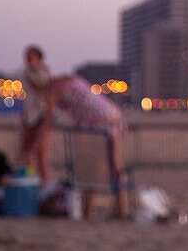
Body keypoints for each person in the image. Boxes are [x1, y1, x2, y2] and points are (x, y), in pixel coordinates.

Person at [48, 73, 128, 217]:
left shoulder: (55, 89)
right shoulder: (72, 81)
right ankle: (121, 207)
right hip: (112, 115)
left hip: (94, 123)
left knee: (90, 168)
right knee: (114, 165)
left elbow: (49, 115)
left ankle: (89, 210)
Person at [19, 45, 53, 184]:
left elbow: (42, 87)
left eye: (30, 57)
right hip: (29, 116)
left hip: (43, 116)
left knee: (40, 153)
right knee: (27, 153)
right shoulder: (26, 73)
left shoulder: (43, 73)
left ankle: (43, 184)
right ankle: (31, 181)